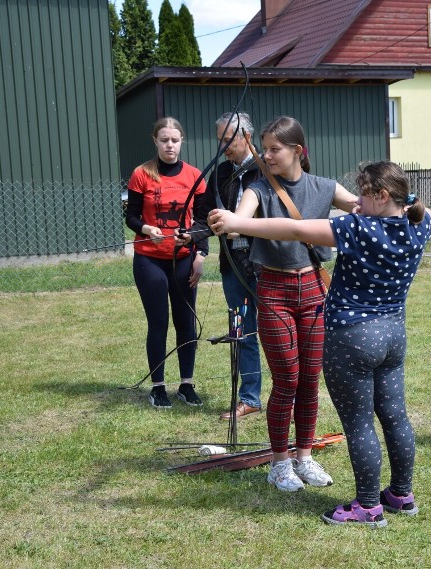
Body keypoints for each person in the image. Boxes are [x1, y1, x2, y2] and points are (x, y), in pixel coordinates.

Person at [210, 161, 431, 527]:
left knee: (360, 423)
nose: (355, 200)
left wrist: (237, 223)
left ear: (381, 196)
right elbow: (409, 207)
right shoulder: (421, 223)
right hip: (393, 335)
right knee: (395, 416)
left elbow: (296, 229)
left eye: (363, 193)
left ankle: (366, 506)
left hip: (353, 339)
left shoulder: (358, 227)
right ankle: (401, 494)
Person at [217, 116, 359, 493]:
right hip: (274, 292)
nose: (266, 155)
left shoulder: (324, 186)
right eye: (263, 148)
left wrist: (404, 208)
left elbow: (363, 207)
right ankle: (279, 463)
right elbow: (238, 220)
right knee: (287, 381)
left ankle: (305, 456)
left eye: (274, 149)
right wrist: (227, 220)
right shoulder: (258, 189)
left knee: (310, 380)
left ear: (298, 150)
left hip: (314, 290)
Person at [124, 117, 208, 409]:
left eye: (174, 140)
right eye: (164, 140)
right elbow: (131, 215)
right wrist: (147, 230)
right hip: (150, 258)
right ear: (155, 141)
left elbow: (202, 220)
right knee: (158, 321)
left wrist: (200, 253)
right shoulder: (141, 174)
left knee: (185, 321)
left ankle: (186, 384)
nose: (169, 145)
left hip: (183, 259)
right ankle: (158, 387)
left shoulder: (195, 176)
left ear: (181, 141)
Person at [193, 112, 264, 419]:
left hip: (265, 264)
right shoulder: (222, 172)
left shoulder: (266, 169)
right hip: (232, 266)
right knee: (241, 332)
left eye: (228, 139)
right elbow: (204, 212)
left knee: (278, 333)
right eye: (219, 140)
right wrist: (193, 235)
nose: (222, 146)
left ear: (246, 136)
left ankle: (290, 396)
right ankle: (249, 398)